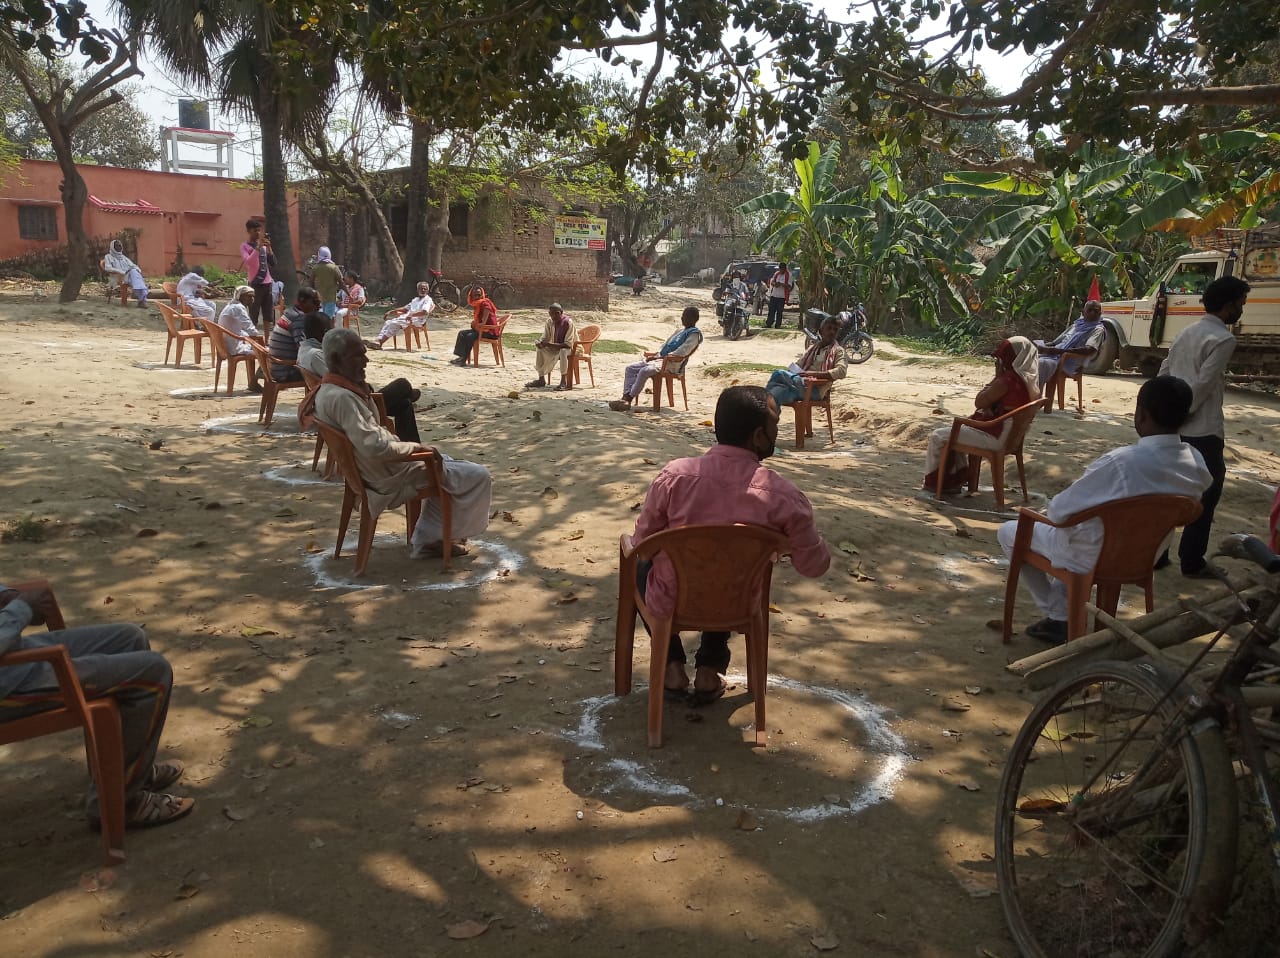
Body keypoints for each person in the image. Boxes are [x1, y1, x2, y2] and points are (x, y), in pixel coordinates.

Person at [633, 386, 831, 704]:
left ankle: (671, 667)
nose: (776, 432)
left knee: (643, 566)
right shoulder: (785, 496)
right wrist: (798, 539)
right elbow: (814, 567)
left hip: (672, 600)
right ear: (757, 436)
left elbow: (642, 545)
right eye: (775, 425)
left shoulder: (674, 477)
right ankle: (710, 671)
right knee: (731, 568)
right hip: (738, 602)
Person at [998, 375, 1213, 645]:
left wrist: (1048, 512)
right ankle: (1062, 614)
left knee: (1011, 531)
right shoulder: (1195, 461)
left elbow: (1059, 513)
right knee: (1084, 530)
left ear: (1141, 415)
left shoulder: (1121, 462)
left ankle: (1059, 617)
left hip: (1092, 556)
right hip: (1144, 555)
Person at [0, 580, 195, 828]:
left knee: (130, 638)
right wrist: (21, 608)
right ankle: (122, 802)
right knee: (154, 673)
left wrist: (7, 596)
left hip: (15, 654)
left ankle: (131, 775)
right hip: (10, 687)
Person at [313, 328, 493, 559]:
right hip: (387, 476)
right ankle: (430, 540)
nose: (366, 361)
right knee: (478, 475)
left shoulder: (329, 391)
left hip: (373, 470)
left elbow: (371, 439)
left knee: (452, 466)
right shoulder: (342, 398)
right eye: (358, 356)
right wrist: (416, 448)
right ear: (337, 360)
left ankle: (433, 533)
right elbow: (374, 446)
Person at [1158, 275, 1250, 578]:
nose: (1242, 309)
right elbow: (1204, 384)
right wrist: (1185, 412)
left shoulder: (1187, 332)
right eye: (1240, 303)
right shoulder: (1223, 339)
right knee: (1206, 493)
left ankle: (1156, 553)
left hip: (1175, 427)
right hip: (1204, 428)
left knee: (1170, 491)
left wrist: (1166, 415)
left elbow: (1166, 371)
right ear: (1228, 306)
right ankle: (1192, 560)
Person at [922, 336, 1039, 492]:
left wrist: (996, 377)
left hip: (995, 436)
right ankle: (956, 477)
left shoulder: (1006, 381)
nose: (998, 361)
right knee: (954, 431)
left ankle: (937, 484)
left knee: (939, 436)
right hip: (1011, 438)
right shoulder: (1028, 382)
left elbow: (980, 401)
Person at [299, 313, 422, 442]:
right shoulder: (317, 356)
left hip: (351, 398)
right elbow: (341, 380)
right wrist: (364, 386)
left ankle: (413, 445)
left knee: (404, 404)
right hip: (360, 403)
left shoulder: (304, 349)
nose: (366, 360)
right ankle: (409, 394)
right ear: (324, 332)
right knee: (402, 384)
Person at [609, 306, 703, 411]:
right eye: (682, 316)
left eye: (686, 317)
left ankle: (629, 399)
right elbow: (665, 345)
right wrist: (656, 356)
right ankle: (625, 397)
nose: (683, 319)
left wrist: (664, 357)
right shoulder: (680, 331)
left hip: (672, 363)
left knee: (645, 371)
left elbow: (683, 351)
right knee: (630, 368)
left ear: (694, 319)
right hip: (661, 360)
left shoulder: (694, 334)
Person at [764, 314, 848, 407]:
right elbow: (798, 365)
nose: (832, 332)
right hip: (801, 385)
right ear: (821, 331)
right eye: (829, 328)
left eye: (835, 330)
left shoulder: (838, 351)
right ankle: (766, 417)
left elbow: (842, 371)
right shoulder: (813, 348)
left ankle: (762, 402)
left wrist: (812, 374)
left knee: (778, 374)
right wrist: (794, 372)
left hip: (816, 390)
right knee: (776, 392)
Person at [1036, 299, 1105, 393]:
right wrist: (1038, 346)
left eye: (1096, 311)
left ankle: (1036, 396)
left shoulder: (1097, 329)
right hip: (1055, 354)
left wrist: (1058, 351)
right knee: (1029, 359)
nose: (1092, 313)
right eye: (1090, 310)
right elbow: (1054, 343)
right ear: (1083, 312)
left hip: (1069, 361)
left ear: (1100, 314)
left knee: (1042, 363)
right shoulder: (1075, 325)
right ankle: (1023, 397)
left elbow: (1089, 349)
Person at [216, 285, 264, 393]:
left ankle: (253, 381)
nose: (252, 299)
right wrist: (261, 339)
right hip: (234, 348)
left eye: (253, 296)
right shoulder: (238, 308)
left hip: (226, 345)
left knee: (257, 346)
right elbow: (250, 329)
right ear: (241, 296)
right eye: (249, 296)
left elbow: (239, 330)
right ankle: (255, 382)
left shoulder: (231, 306)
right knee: (267, 352)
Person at [267, 286, 320, 382]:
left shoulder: (291, 313)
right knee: (326, 372)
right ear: (303, 301)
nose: (319, 306)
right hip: (286, 371)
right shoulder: (299, 319)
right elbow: (303, 350)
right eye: (316, 302)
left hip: (277, 368)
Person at [526, 303, 577, 390]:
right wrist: (540, 343)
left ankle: (563, 381)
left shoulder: (568, 323)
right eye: (551, 314)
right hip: (555, 347)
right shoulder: (549, 321)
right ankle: (541, 379)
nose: (553, 316)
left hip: (571, 349)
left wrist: (549, 344)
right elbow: (545, 337)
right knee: (540, 350)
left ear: (561, 313)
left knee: (563, 351)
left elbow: (568, 344)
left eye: (556, 314)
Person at [370, 281, 434, 349]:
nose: (423, 290)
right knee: (388, 322)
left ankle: (380, 343)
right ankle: (378, 340)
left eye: (425, 289)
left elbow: (424, 312)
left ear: (428, 290)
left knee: (394, 323)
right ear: (418, 290)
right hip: (407, 318)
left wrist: (411, 315)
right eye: (421, 288)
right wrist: (392, 311)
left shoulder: (427, 300)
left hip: (418, 320)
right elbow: (405, 309)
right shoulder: (415, 300)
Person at [240, 219, 275, 331]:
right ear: (249, 231)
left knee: (267, 314)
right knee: (253, 313)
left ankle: (266, 340)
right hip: (255, 284)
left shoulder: (264, 247)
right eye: (256, 231)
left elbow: (273, 263)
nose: (258, 233)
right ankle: (253, 338)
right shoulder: (244, 247)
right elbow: (248, 262)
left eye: (260, 231)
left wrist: (269, 248)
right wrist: (257, 249)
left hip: (267, 283)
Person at [451, 287, 500, 365]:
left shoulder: (484, 302)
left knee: (470, 336)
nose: (477, 296)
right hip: (481, 329)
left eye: (479, 294)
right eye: (475, 294)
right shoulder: (477, 304)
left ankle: (464, 359)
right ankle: (461, 357)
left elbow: (487, 310)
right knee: (462, 333)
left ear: (482, 295)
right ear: (471, 295)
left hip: (489, 331)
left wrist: (483, 322)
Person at [104, 239, 148, 307]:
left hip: (128, 276)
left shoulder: (123, 257)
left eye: (120, 245)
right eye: (117, 245)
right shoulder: (108, 257)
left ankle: (140, 294)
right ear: (112, 247)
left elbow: (133, 265)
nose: (119, 246)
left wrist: (137, 269)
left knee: (134, 271)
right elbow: (108, 268)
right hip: (117, 277)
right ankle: (141, 297)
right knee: (136, 277)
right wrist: (121, 271)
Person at [312, 247, 343, 318]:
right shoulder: (334, 267)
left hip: (319, 298)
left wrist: (314, 293)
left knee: (320, 318)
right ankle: (328, 329)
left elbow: (311, 282)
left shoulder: (315, 268)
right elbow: (341, 282)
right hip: (330, 298)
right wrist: (348, 293)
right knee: (328, 318)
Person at [765, 262, 792, 329]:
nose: (781, 271)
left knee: (779, 311)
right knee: (771, 310)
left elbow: (789, 286)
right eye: (780, 269)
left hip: (782, 297)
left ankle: (778, 325)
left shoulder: (788, 275)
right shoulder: (776, 273)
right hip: (774, 295)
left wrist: (781, 284)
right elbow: (772, 282)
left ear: (784, 269)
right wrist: (775, 284)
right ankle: (769, 324)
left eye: (782, 269)